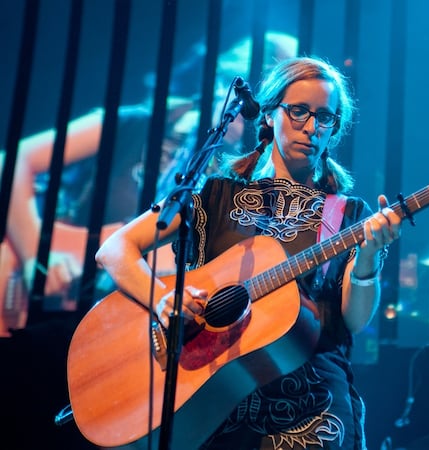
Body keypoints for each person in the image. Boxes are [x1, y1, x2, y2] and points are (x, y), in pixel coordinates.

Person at [94, 56, 402, 449]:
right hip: (212, 398)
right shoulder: (213, 193)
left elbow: (352, 321)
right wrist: (161, 299)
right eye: (299, 112)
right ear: (270, 115)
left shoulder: (347, 213)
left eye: (324, 117)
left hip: (310, 407)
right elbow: (114, 249)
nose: (311, 127)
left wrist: (369, 259)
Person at [0, 31, 298, 336]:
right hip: (40, 305)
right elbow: (13, 161)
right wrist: (34, 255)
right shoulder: (139, 121)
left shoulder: (240, 177)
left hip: (122, 327)